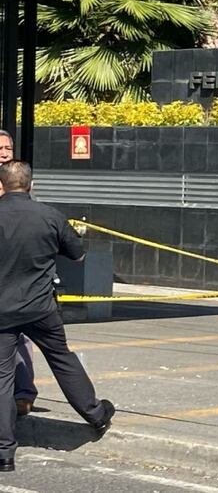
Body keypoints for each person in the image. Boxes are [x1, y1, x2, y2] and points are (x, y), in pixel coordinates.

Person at [0, 161, 114, 472]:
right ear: (31, 185)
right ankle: (95, 414)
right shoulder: (49, 216)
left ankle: (4, 453)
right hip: (41, 308)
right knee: (62, 358)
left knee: (2, 378)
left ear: (1, 185)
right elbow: (78, 255)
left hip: (2, 311)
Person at [0, 131, 35, 418]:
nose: (4, 152)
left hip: (18, 278)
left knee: (22, 337)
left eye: (8, 147)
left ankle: (23, 395)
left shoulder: (18, 182)